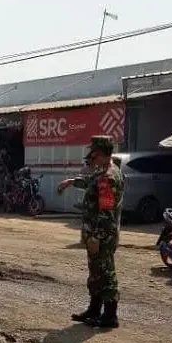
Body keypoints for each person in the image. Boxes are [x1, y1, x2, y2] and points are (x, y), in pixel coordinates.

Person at [57, 136, 124, 329]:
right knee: (96, 272)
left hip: (103, 234)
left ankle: (110, 316)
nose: (91, 156)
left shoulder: (108, 177)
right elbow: (89, 182)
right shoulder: (101, 173)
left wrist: (96, 236)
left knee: (106, 273)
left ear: (101, 152)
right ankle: (94, 310)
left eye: (93, 152)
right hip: (96, 232)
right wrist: (71, 181)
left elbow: (106, 210)